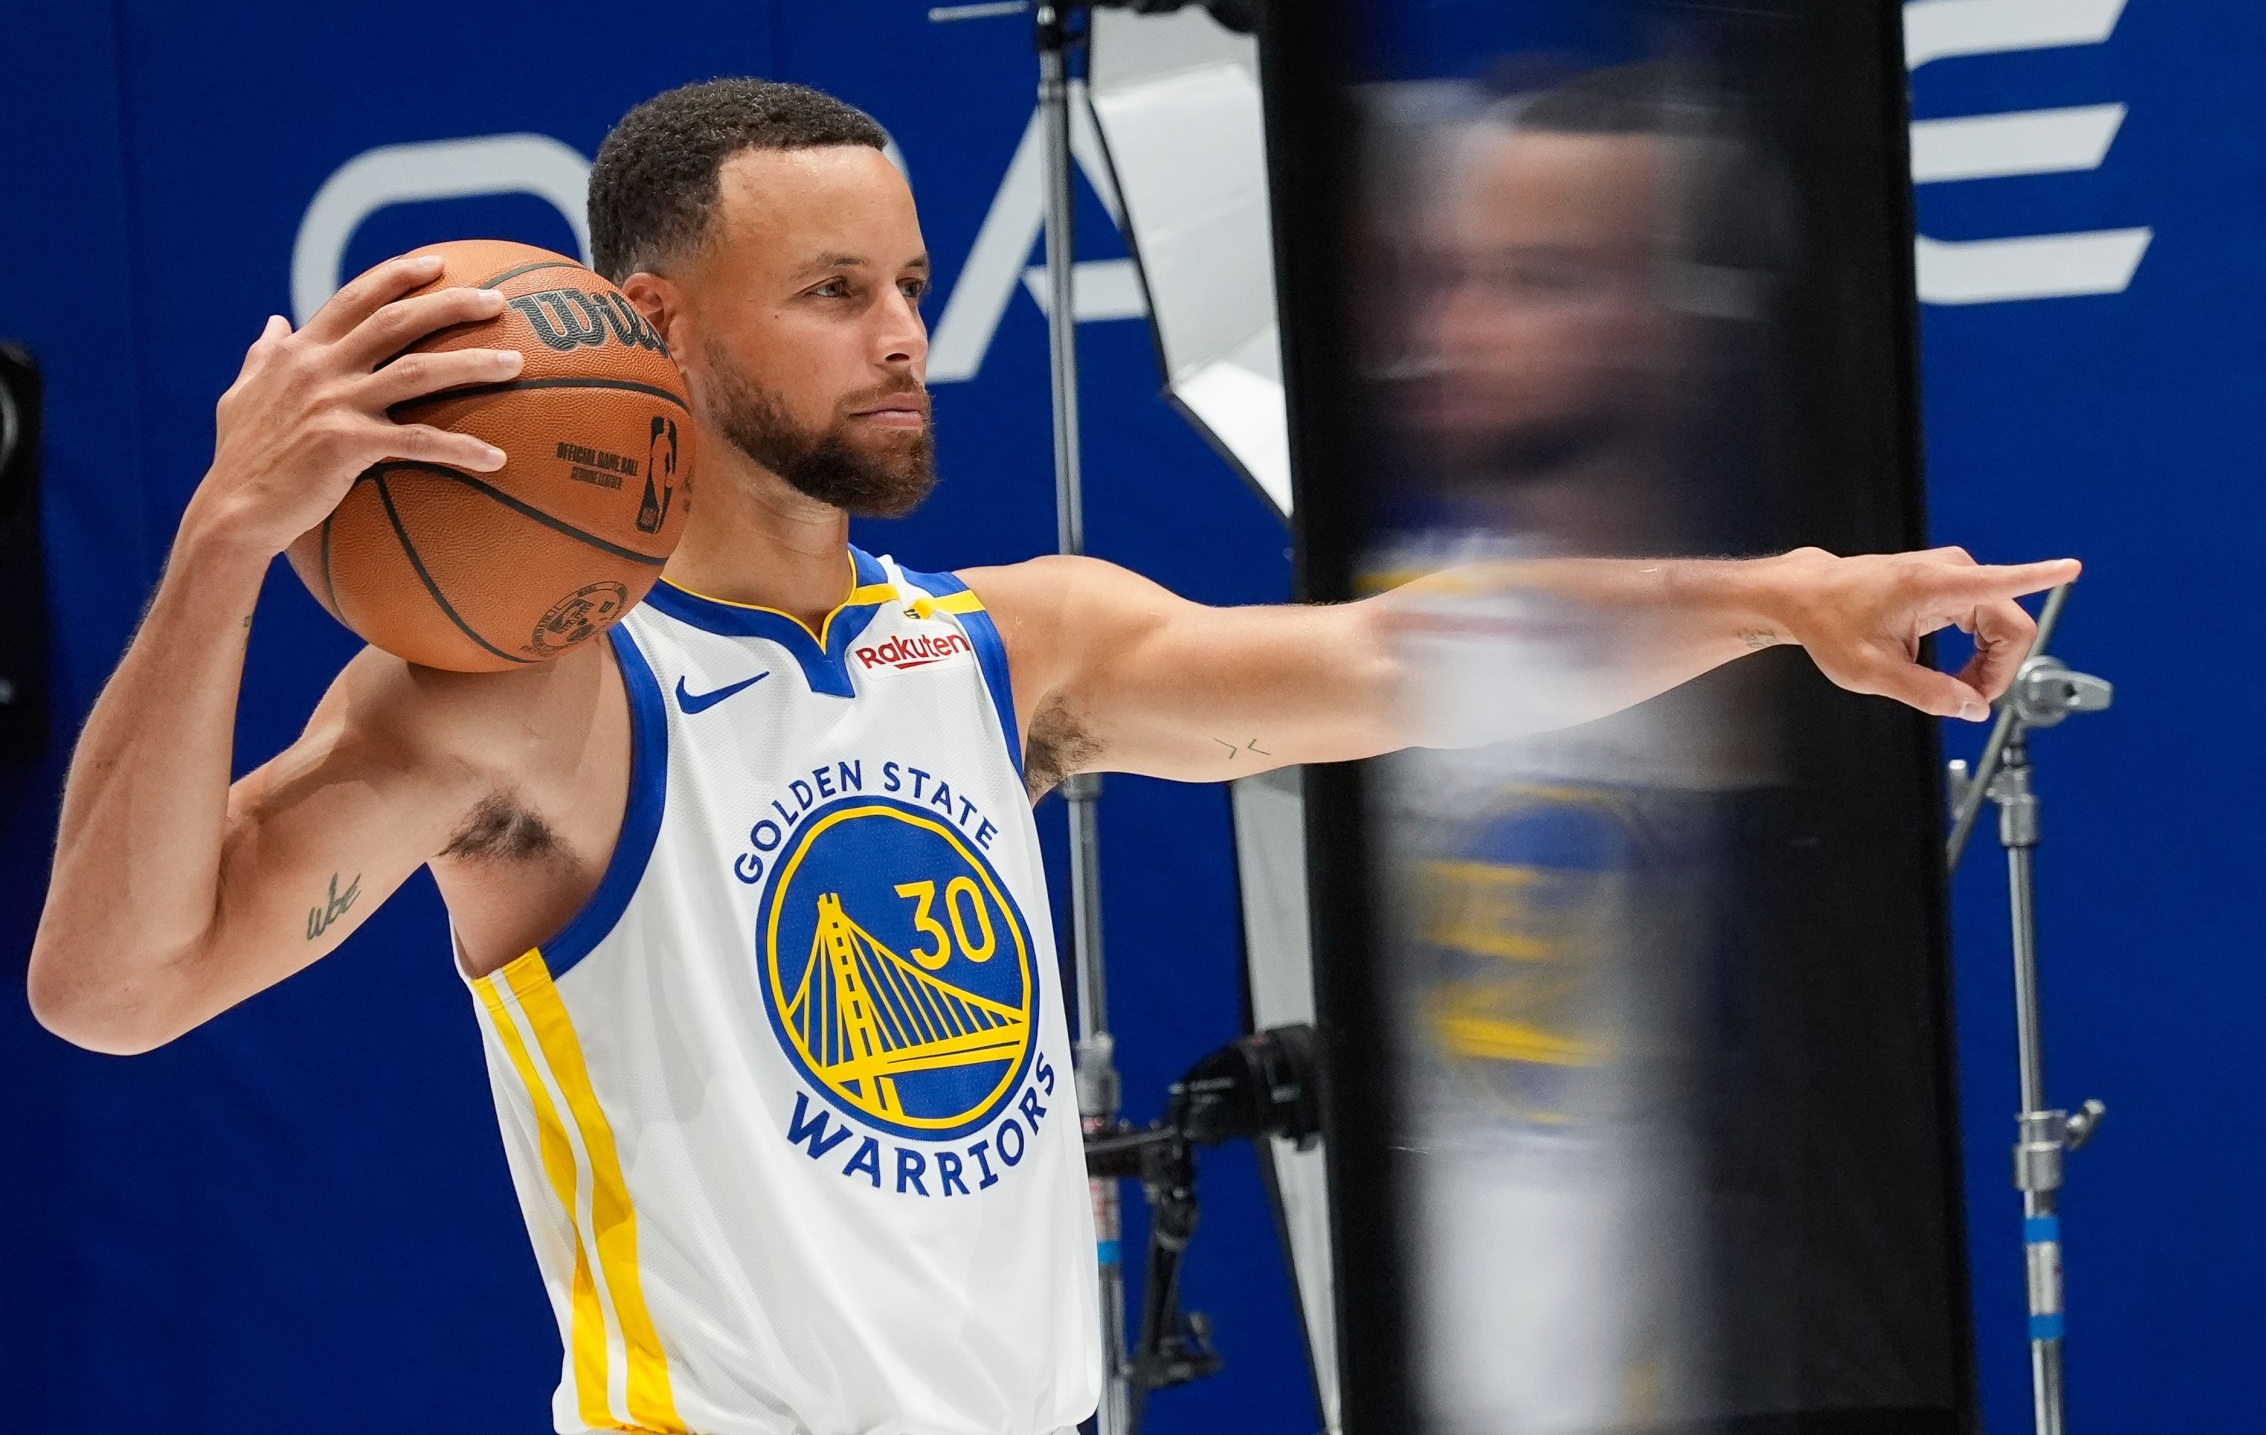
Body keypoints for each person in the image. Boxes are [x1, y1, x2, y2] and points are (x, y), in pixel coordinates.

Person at [25, 78, 2076, 1435]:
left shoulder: (1003, 646)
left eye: (910, 280)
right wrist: (222, 549)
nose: (906, 331)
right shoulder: (539, 705)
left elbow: (1394, 659)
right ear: (651, 329)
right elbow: (111, 994)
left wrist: (1781, 597)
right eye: (832, 293)